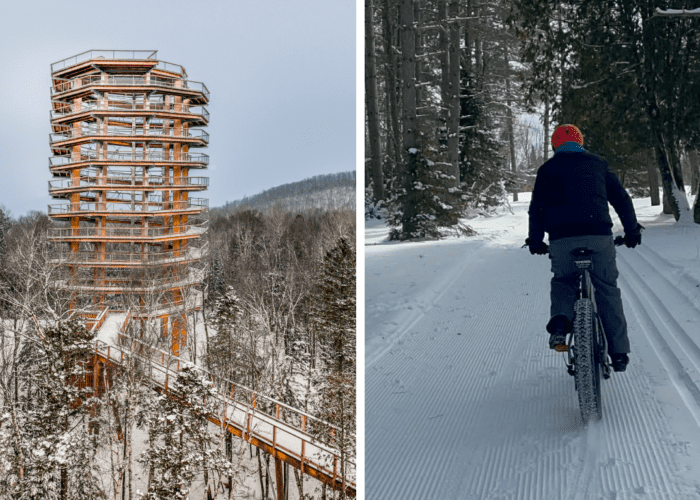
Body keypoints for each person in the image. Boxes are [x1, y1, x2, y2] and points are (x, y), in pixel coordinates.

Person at [526, 124, 642, 372]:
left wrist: (535, 241)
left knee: (564, 282)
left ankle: (560, 323)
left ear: (555, 145)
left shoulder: (547, 170)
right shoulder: (598, 164)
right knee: (607, 289)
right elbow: (621, 198)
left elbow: (536, 209)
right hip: (598, 236)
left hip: (561, 239)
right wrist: (632, 232)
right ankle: (619, 352)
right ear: (581, 141)